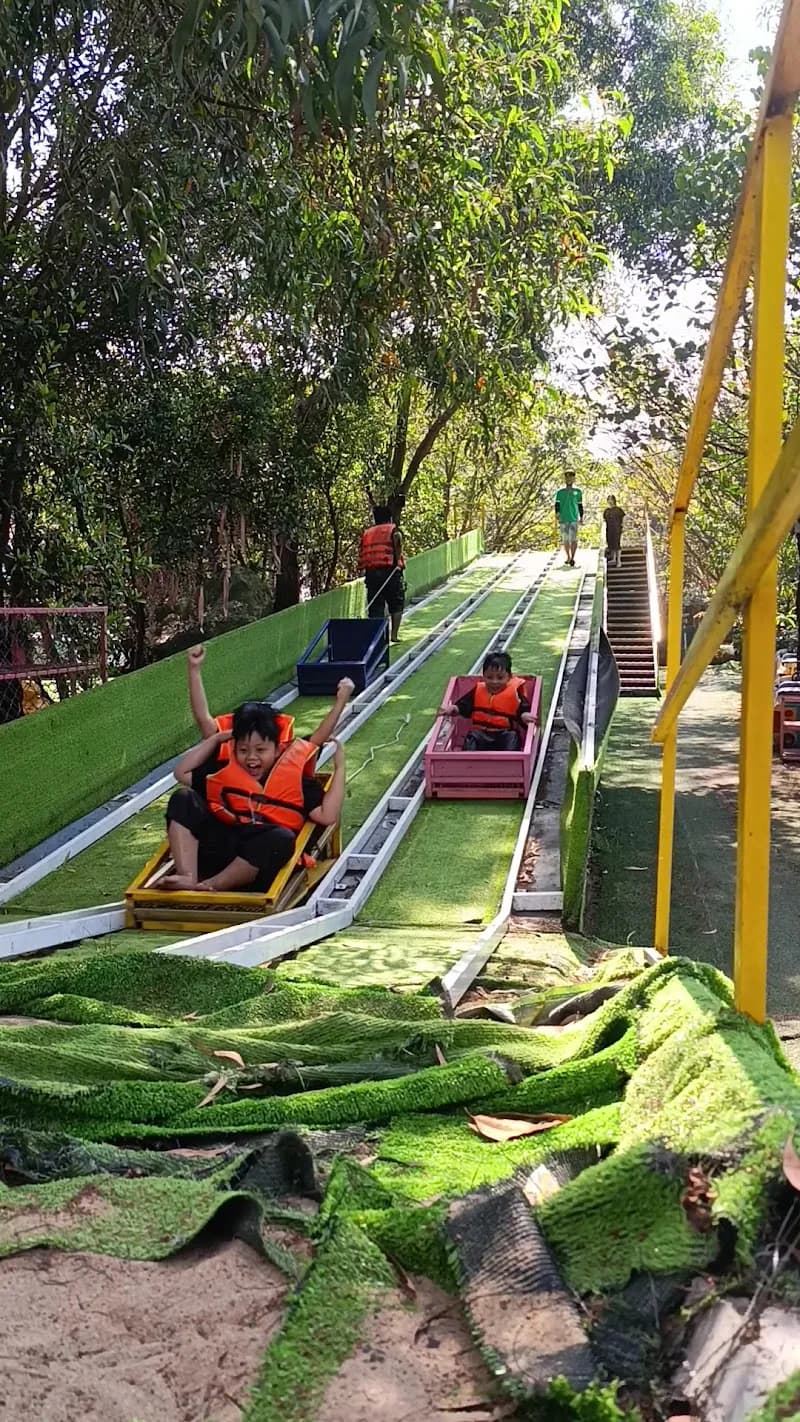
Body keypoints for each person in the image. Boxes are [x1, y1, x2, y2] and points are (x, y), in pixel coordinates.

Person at [162, 646, 354, 893]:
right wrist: (194, 670)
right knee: (183, 798)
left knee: (282, 839)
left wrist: (340, 767)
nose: (251, 758)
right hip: (221, 849)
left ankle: (211, 886)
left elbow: (327, 816)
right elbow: (182, 771)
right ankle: (187, 876)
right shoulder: (225, 770)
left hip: (259, 860)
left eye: (260, 750)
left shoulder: (294, 778)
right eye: (243, 750)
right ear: (235, 748)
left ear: (277, 749)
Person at [440, 650, 537, 752]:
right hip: (481, 734)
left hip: (504, 733)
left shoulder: (515, 691)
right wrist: (454, 708)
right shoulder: (478, 689)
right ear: (483, 676)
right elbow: (464, 704)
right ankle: (468, 759)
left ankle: (509, 760)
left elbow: (523, 707)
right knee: (472, 737)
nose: (494, 682)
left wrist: (524, 715)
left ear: (509, 677)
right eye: (489, 677)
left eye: (500, 678)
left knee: (512, 737)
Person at [358, 504, 405, 643]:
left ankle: (377, 639)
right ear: (389, 518)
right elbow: (397, 539)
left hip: (372, 573)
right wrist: (398, 561)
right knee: (396, 603)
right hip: (390, 570)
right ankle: (394, 635)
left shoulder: (367, 533)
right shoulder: (392, 529)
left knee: (376, 606)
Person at [554, 474, 584, 568]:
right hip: (563, 518)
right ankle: (568, 557)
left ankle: (573, 558)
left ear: (574, 479)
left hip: (573, 518)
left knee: (573, 539)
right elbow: (557, 504)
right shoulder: (560, 492)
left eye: (571, 478)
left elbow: (580, 505)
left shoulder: (577, 492)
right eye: (567, 478)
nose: (569, 479)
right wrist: (557, 513)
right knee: (565, 539)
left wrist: (581, 516)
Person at [603, 495, 625, 568]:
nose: (610, 501)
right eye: (608, 499)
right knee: (611, 543)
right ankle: (613, 558)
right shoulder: (606, 511)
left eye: (611, 499)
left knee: (617, 544)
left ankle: (619, 561)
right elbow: (604, 520)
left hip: (617, 528)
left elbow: (623, 518)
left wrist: (623, 526)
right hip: (609, 529)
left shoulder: (618, 510)